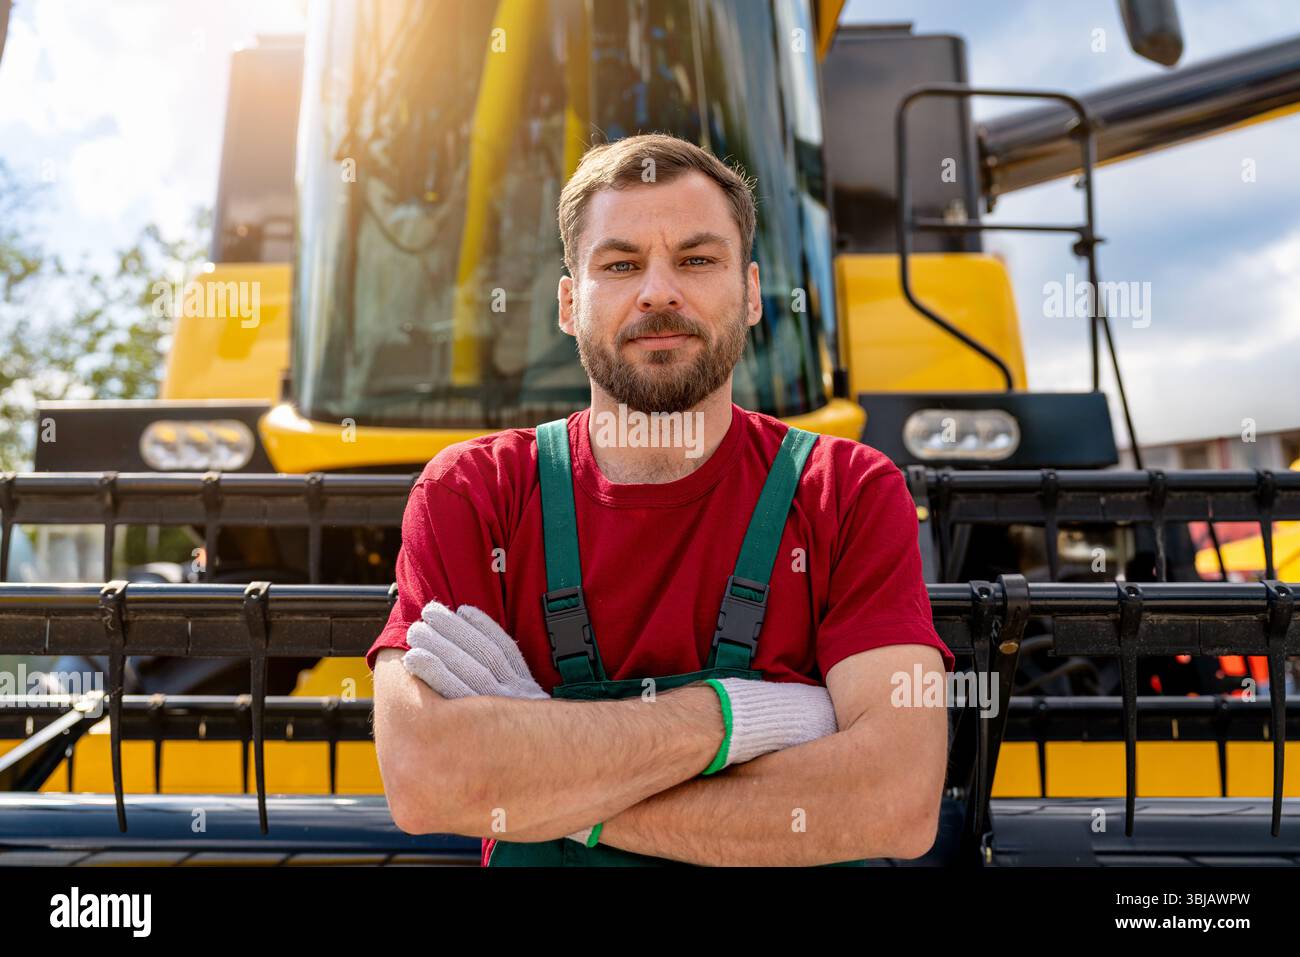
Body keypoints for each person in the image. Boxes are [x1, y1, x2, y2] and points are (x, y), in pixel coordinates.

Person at [368, 133, 954, 867]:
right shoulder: (470, 494)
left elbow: (894, 800)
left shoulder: (850, 493)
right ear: (569, 302)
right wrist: (742, 718)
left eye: (696, 259)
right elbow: (428, 781)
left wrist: (547, 774)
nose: (658, 291)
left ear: (748, 294)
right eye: (620, 264)